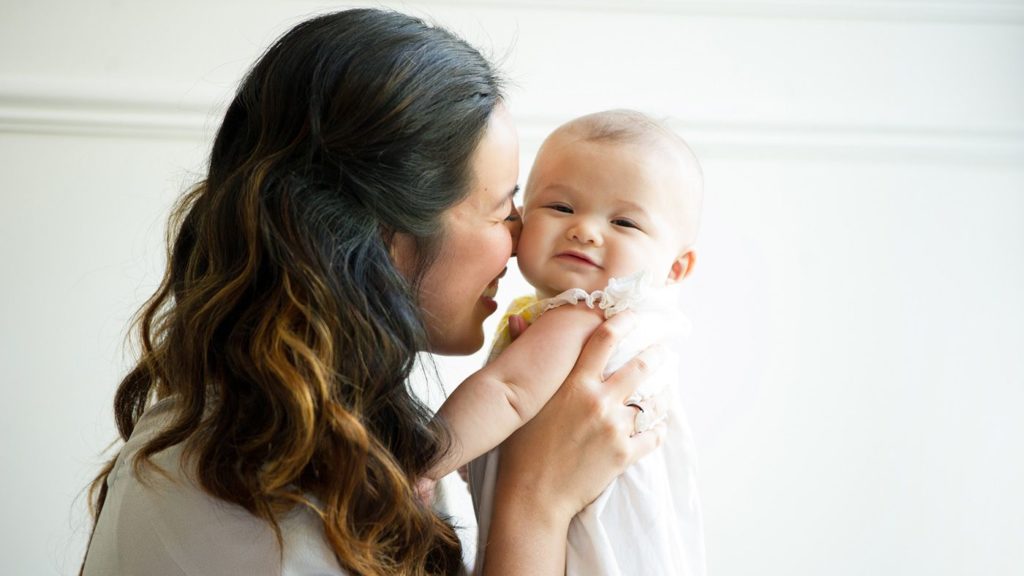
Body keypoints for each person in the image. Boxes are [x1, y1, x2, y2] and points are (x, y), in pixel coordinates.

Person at [79, 9, 664, 576]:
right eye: (500, 209)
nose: (520, 242)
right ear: (383, 240)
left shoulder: (318, 430)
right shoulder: (263, 513)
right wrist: (535, 503)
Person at [460, 110, 707, 575]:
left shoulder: (585, 316)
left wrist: (428, 457)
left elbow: (507, 393)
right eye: (561, 208)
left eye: (625, 223)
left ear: (675, 268)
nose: (585, 230)